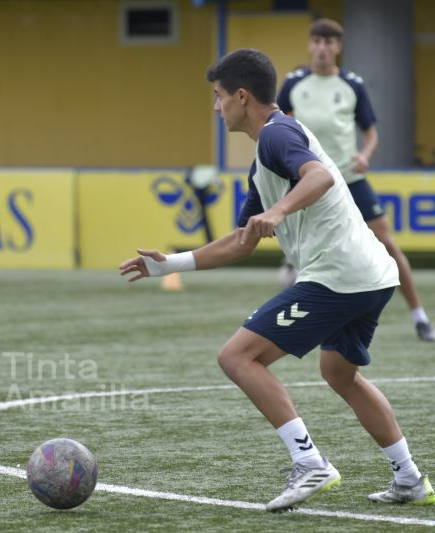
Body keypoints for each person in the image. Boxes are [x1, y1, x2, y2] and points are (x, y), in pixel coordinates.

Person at [120, 48, 434, 511]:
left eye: (218, 96)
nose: (215, 106)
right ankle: (409, 478)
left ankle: (310, 465)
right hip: (370, 275)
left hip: (340, 275)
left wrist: (280, 209)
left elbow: (320, 177)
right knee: (340, 374)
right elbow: (242, 241)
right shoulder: (264, 157)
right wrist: (171, 264)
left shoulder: (276, 134)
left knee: (238, 357)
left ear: (241, 97)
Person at [277, 18, 434, 342]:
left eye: (329, 42)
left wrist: (366, 154)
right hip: (308, 181)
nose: (322, 48)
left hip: (348, 179)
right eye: (317, 42)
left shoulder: (352, 84)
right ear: (310, 45)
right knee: (310, 253)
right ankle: (307, 322)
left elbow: (371, 131)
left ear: (338, 47)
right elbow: (276, 124)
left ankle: (420, 317)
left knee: (387, 243)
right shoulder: (294, 83)